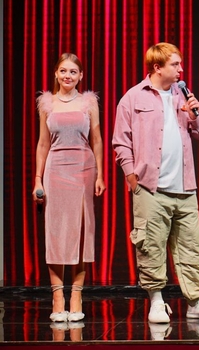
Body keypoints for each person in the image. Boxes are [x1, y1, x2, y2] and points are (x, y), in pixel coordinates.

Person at [112, 42, 199, 323]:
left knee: (191, 246)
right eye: (175, 64)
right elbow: (121, 141)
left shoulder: (182, 95)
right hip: (150, 187)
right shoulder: (133, 98)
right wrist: (131, 176)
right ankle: (156, 302)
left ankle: (196, 302)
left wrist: (194, 113)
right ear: (157, 67)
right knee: (151, 245)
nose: (181, 69)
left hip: (185, 187)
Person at [33, 53, 106, 322]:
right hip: (55, 170)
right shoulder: (46, 103)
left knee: (80, 232)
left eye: (73, 72)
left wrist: (100, 174)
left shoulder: (89, 102)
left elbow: (97, 139)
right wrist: (37, 179)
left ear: (80, 76)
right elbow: (43, 143)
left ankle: (76, 295)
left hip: (83, 169)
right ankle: (57, 297)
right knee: (56, 232)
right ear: (56, 73)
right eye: (63, 71)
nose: (68, 76)